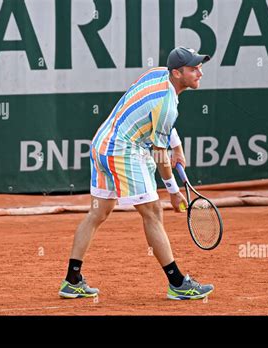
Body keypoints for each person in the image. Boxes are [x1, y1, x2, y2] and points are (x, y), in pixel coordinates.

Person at [59, 47, 214, 300]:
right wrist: (174, 192)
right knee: (152, 211)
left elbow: (158, 123)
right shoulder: (166, 105)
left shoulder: (156, 75)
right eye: (194, 69)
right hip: (122, 151)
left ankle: (72, 279)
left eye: (199, 67)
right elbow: (160, 154)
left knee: (98, 212)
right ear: (177, 73)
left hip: (101, 145)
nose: (200, 73)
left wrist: (177, 146)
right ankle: (177, 283)